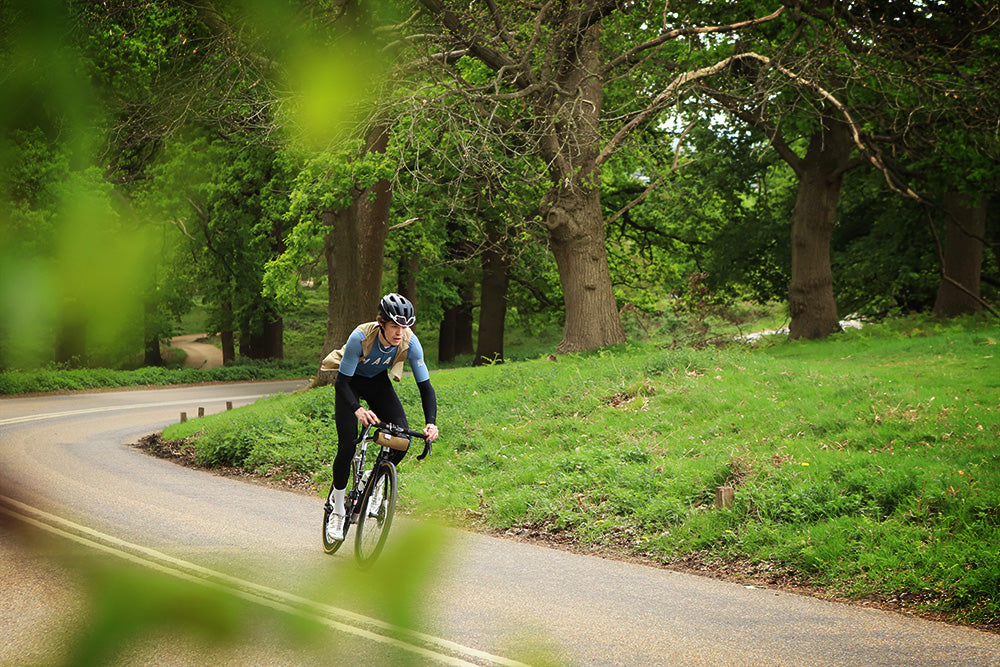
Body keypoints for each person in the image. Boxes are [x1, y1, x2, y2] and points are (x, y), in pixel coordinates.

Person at [319, 293, 439, 542]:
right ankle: (338, 509)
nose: (400, 332)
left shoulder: (410, 342)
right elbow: (341, 383)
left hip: (377, 383)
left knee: (402, 439)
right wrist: (357, 409)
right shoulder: (361, 337)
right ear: (381, 323)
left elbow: (426, 387)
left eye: (405, 326)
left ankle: (373, 481)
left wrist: (431, 422)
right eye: (394, 325)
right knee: (347, 445)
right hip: (350, 383)